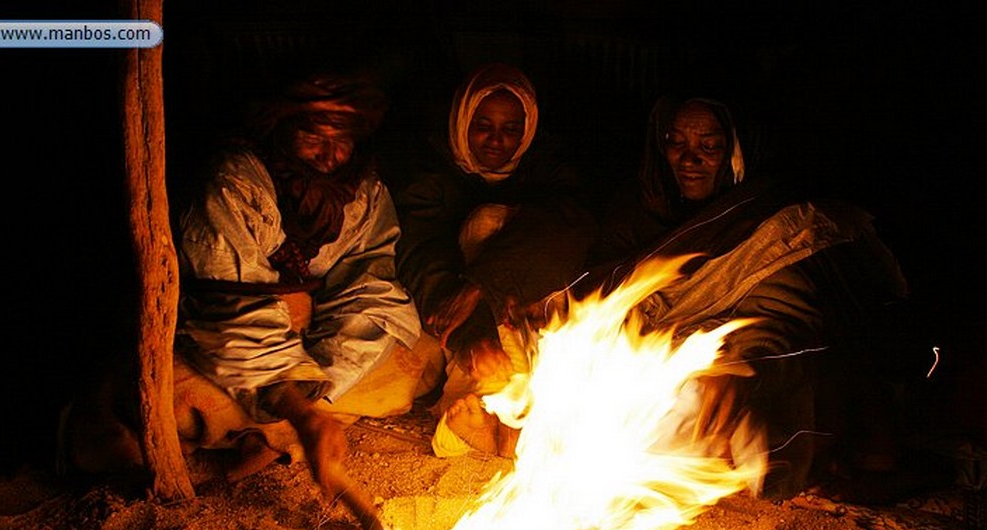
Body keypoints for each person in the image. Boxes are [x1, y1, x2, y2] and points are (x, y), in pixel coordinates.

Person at [61, 74, 436, 530]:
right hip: (216, 346)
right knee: (151, 408)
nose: (329, 154)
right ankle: (284, 429)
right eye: (313, 136)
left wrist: (313, 390)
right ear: (280, 127)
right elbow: (232, 316)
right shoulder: (233, 183)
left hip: (311, 352)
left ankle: (281, 428)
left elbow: (370, 287)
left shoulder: (362, 193)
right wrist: (300, 411)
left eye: (342, 140)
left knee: (419, 355)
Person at [587, 94, 918, 501]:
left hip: (741, 363)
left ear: (736, 151)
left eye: (709, 147)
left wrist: (733, 368)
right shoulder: (637, 208)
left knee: (699, 409)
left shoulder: (769, 223)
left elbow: (779, 314)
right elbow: (601, 302)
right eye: (677, 143)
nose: (690, 159)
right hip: (656, 353)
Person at [391, 62, 597, 458]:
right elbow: (421, 250)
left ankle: (498, 407)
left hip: (528, 308)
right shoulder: (430, 172)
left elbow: (572, 226)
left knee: (490, 222)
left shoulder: (547, 169)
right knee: (399, 372)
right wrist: (474, 335)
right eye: (483, 125)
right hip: (452, 313)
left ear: (527, 130)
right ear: (463, 120)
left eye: (510, 129)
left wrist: (482, 286)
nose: (496, 141)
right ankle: (498, 405)